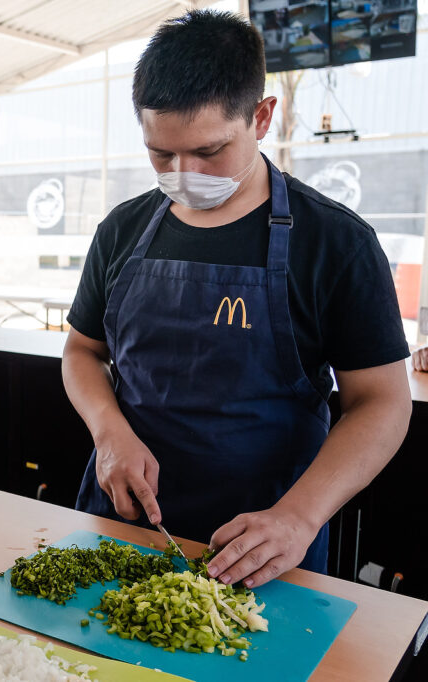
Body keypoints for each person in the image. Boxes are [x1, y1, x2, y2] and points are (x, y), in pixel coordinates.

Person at [62, 10, 411, 589]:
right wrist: (109, 432)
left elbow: (381, 403)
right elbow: (81, 352)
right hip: (123, 528)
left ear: (262, 116)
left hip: (264, 546)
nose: (184, 173)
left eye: (209, 150)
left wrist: (298, 517)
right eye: (161, 154)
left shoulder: (335, 243)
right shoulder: (121, 231)